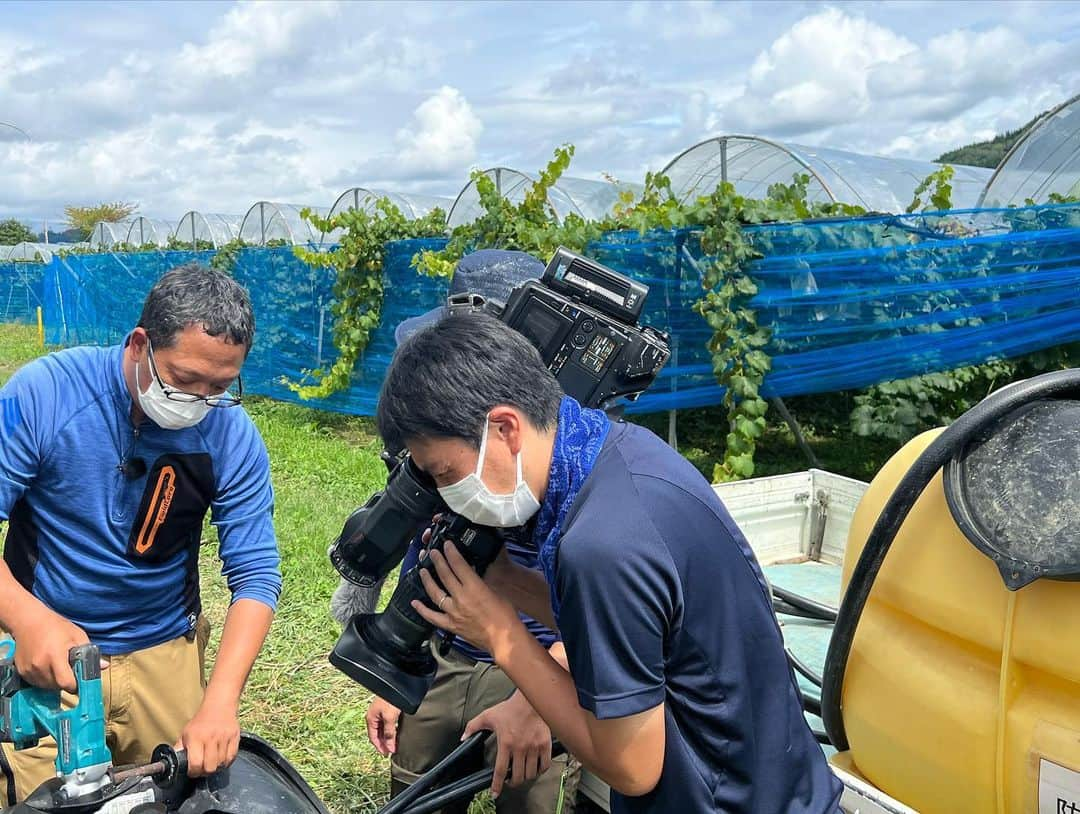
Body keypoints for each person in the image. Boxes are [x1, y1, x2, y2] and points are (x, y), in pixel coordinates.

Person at [374, 312, 844, 813]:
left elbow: (634, 768)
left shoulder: (600, 545)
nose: (446, 493)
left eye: (446, 472)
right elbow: (631, 631)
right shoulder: (616, 454)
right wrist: (507, 581)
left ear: (505, 427)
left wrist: (501, 636)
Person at [0, 263, 281, 804]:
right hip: (45, 652)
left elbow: (257, 576)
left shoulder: (229, 433)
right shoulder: (44, 395)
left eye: (219, 387)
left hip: (164, 653)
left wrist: (220, 702)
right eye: (183, 379)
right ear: (139, 344)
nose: (199, 401)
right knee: (39, 796)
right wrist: (27, 618)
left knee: (171, 796)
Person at [332, 251, 570, 812]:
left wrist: (539, 703)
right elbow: (425, 537)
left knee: (528, 798)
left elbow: (599, 612)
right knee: (417, 793)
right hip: (443, 653)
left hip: (538, 664)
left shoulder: (569, 449)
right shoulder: (445, 422)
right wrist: (398, 656)